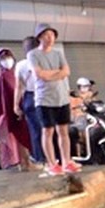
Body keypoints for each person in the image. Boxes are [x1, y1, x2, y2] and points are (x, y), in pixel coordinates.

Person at [28, 23, 80, 176]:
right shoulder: (33, 55)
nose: (50, 38)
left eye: (52, 35)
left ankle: (66, 161)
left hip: (62, 98)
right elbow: (39, 74)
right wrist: (57, 73)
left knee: (63, 131)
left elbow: (66, 71)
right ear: (39, 37)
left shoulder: (58, 53)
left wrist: (52, 74)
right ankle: (52, 163)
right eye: (46, 35)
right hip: (44, 99)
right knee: (48, 131)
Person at [0, 47, 32, 170]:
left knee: (23, 136)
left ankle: (25, 162)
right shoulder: (3, 75)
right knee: (21, 136)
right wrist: (14, 109)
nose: (7, 60)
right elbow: (4, 96)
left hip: (21, 107)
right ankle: (25, 162)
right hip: (13, 111)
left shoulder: (15, 72)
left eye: (8, 57)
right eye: (3, 58)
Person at [12, 36, 45, 168]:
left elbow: (18, 87)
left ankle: (39, 158)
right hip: (43, 95)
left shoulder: (20, 65)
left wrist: (15, 105)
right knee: (48, 129)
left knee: (35, 130)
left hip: (29, 98)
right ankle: (53, 157)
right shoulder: (43, 62)